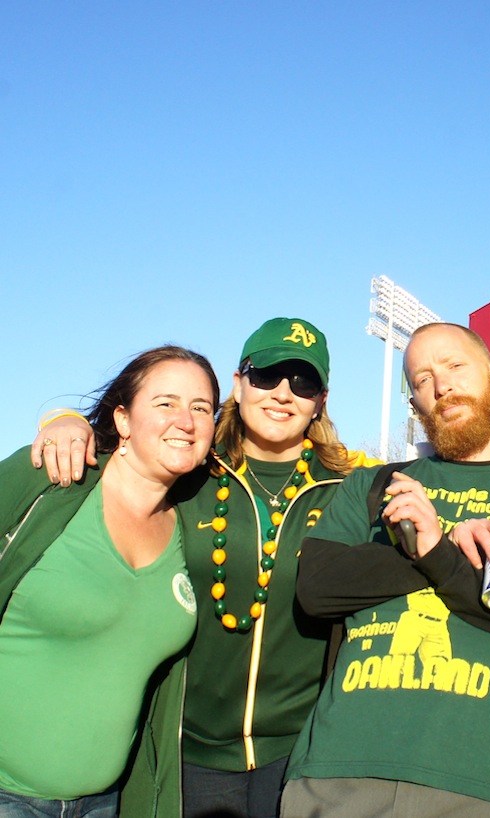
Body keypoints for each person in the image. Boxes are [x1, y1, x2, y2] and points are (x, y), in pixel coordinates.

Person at [33, 317, 371, 818]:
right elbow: (120, 452)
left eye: (303, 382)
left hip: (300, 755)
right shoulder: (188, 467)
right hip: (185, 750)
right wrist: (63, 420)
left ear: (321, 399)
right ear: (238, 384)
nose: (283, 393)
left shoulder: (352, 489)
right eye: (267, 375)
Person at [280, 322, 490, 818]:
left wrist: (436, 551)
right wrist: (434, 549)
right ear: (414, 403)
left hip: (482, 786)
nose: (442, 386)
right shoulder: (373, 485)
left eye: (456, 366)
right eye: (422, 379)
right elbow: (317, 589)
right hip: (337, 773)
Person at [0, 345, 219, 818]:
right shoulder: (49, 478)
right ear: (122, 419)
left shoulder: (195, 523)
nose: (185, 420)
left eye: (200, 408)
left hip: (108, 803)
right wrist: (63, 418)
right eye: (165, 403)